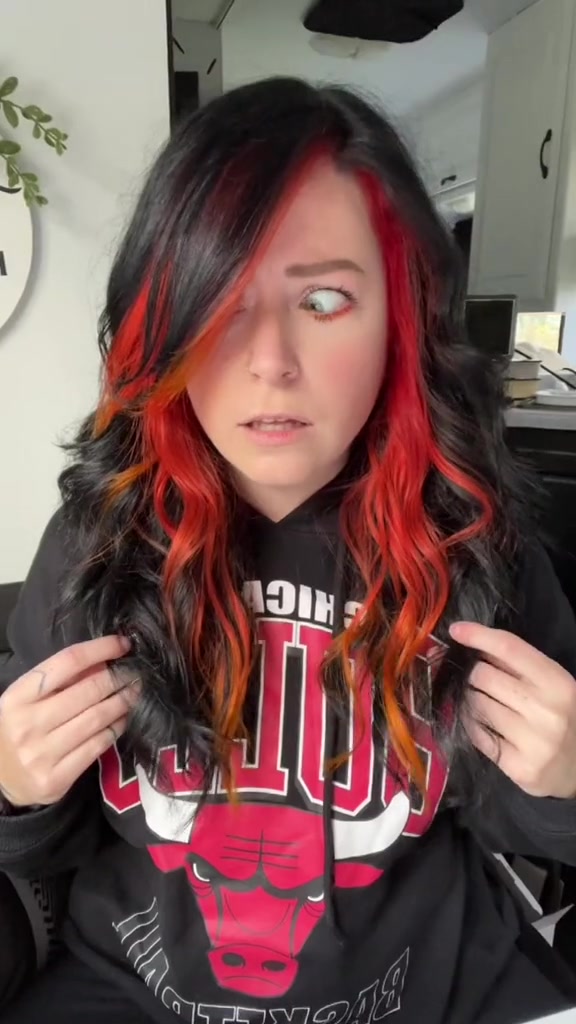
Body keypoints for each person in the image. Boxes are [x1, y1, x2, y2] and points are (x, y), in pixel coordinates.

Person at [0, 77, 575, 1024]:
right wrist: (15, 788)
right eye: (222, 302)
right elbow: (44, 838)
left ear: (400, 319)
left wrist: (567, 776)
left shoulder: (477, 543)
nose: (270, 359)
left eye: (323, 299)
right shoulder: (94, 544)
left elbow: (536, 826)